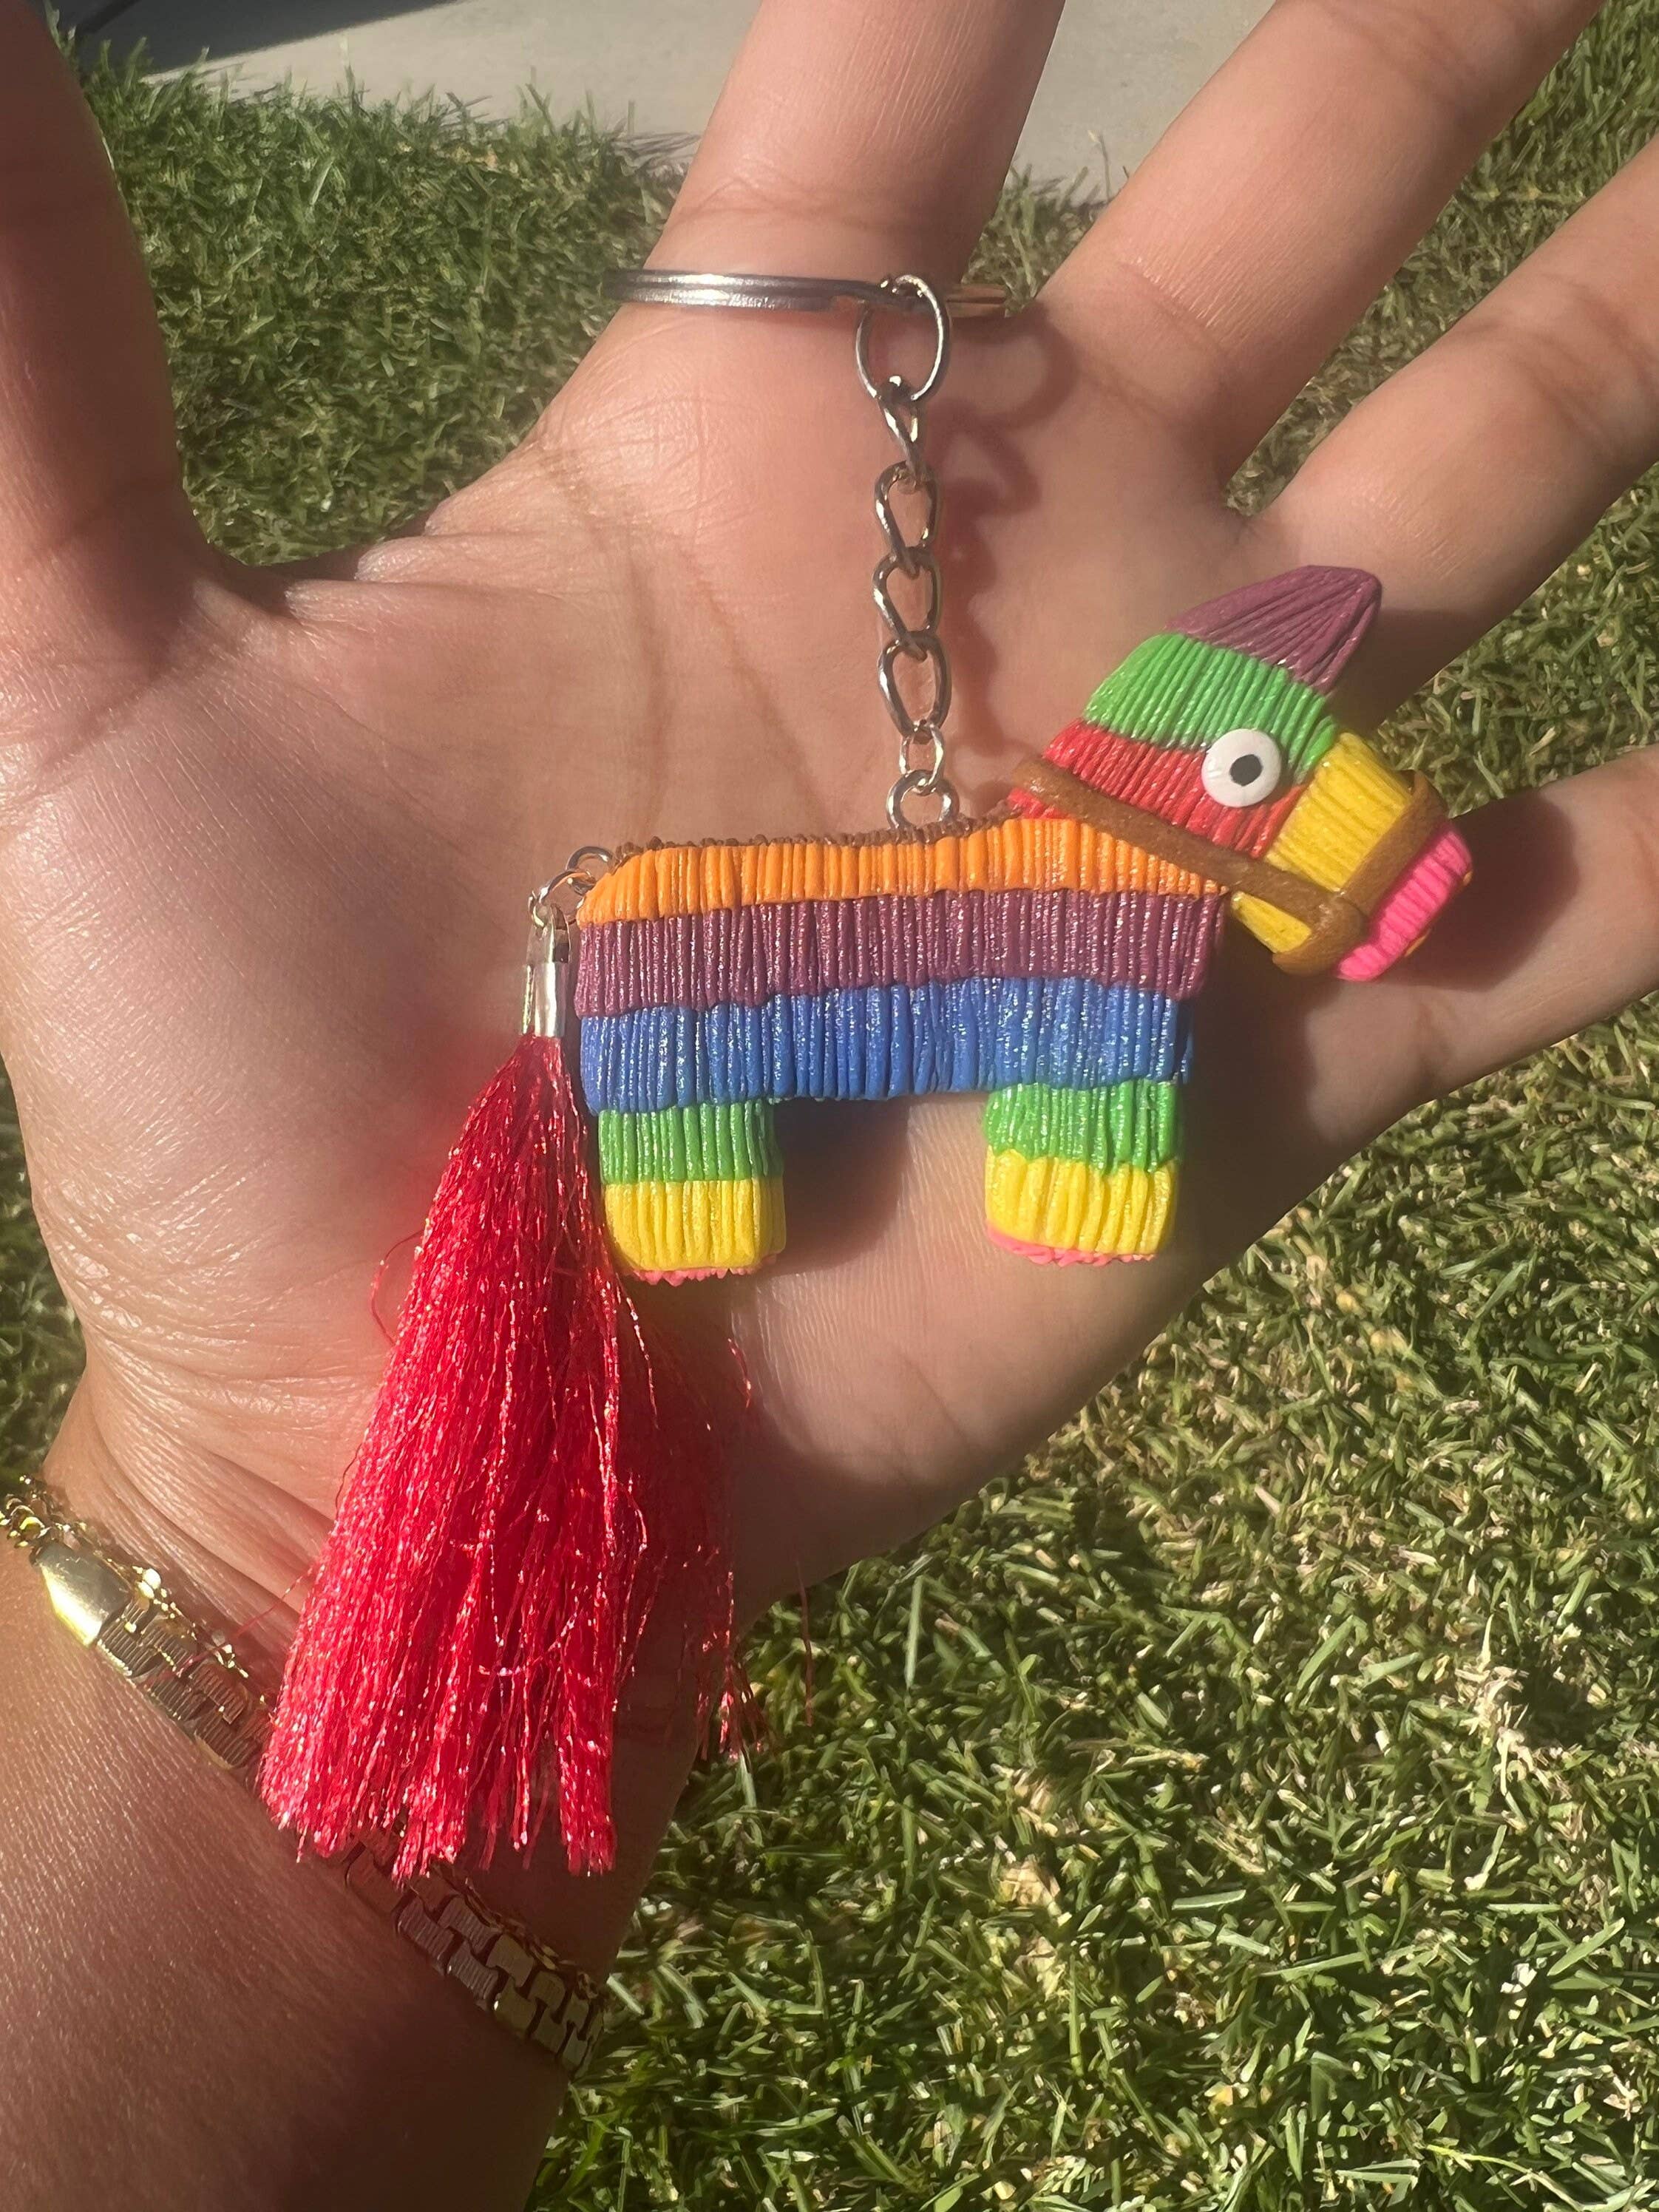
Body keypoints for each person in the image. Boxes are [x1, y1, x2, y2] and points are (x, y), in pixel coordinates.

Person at [2, 0, 1656, 2202]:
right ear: (1208, 770)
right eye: (1279, 783)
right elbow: (1104, 1074)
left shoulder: (1121, 900)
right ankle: (683, 1169)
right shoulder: (1062, 948)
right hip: (681, 1001)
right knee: (885, 1137)